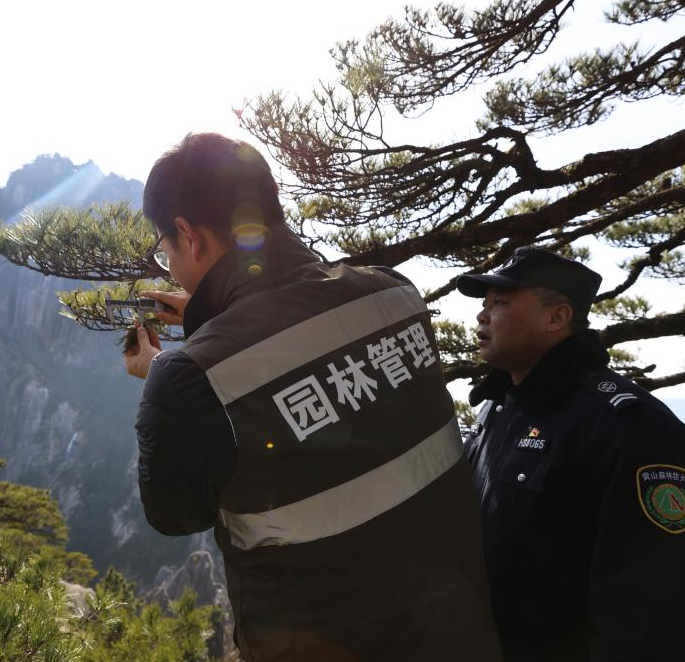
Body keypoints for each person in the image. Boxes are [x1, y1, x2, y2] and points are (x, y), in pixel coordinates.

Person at [122, 132, 502, 661]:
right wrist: (217, 319)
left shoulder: (191, 377)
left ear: (188, 234)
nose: (169, 263)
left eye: (164, 249)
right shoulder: (395, 293)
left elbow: (174, 513)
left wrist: (170, 368)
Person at [457, 247, 685, 662]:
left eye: (500, 303)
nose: (482, 315)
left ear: (556, 317)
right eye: (484, 304)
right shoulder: (497, 412)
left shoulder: (633, 426)